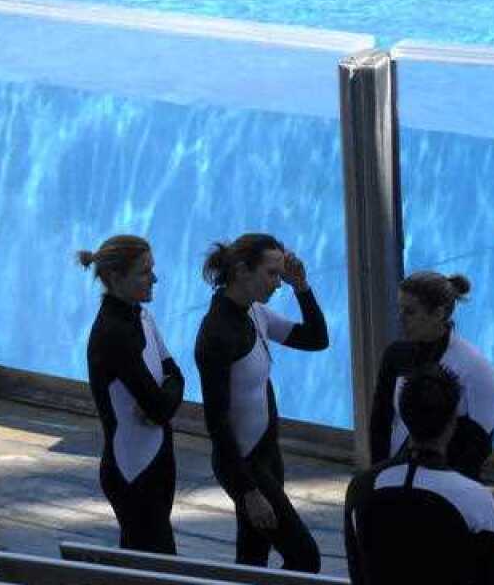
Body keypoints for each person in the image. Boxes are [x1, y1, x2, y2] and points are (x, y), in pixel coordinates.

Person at [194, 233, 328, 572]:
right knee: (304, 557)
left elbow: (316, 339)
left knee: (252, 560)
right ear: (242, 270)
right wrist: (249, 492)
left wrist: (302, 287)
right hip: (244, 466)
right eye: (272, 274)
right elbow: (217, 422)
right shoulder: (216, 333)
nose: (277, 283)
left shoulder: (256, 313)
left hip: (268, 455)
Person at [346, 364, 494, 585]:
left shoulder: (361, 487)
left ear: (403, 415)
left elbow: (358, 572)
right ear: (453, 423)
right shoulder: (476, 498)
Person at [81, 235, 184, 554]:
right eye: (143, 271)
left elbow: (176, 375)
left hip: (157, 462)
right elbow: (159, 408)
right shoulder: (113, 334)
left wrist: (167, 391)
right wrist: (166, 394)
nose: (154, 278)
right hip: (133, 473)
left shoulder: (142, 315)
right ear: (115, 278)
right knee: (160, 568)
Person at [370, 271, 494, 480]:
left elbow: (479, 448)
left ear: (439, 313)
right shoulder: (395, 355)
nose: (400, 318)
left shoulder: (476, 369)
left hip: (449, 486)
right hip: (398, 476)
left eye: (409, 311)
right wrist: (378, 478)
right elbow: (380, 423)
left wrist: (448, 490)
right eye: (399, 309)